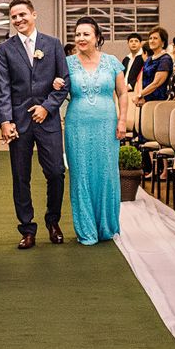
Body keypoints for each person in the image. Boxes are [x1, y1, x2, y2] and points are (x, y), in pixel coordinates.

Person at [0, 0, 70, 250]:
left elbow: (64, 81)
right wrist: (5, 120)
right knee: (20, 175)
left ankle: (53, 221)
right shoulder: (5, 48)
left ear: (34, 14)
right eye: (14, 16)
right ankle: (27, 228)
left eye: (22, 14)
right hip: (19, 121)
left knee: (56, 172)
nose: (18, 20)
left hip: (47, 120)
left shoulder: (53, 44)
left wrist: (47, 107)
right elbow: (3, 87)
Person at [54, 17, 127, 245]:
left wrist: (122, 120)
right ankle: (86, 230)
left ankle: (106, 227)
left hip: (107, 124)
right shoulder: (66, 63)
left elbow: (123, 93)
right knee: (81, 176)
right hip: (77, 125)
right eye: (77, 34)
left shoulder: (112, 62)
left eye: (86, 34)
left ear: (97, 37)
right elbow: (57, 91)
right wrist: (55, 84)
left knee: (106, 175)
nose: (81, 39)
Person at [133, 26, 172, 106]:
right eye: (150, 38)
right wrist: (140, 95)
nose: (151, 41)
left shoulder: (165, 59)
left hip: (158, 103)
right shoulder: (149, 59)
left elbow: (157, 82)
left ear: (163, 42)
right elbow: (141, 79)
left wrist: (140, 94)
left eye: (155, 38)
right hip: (145, 100)